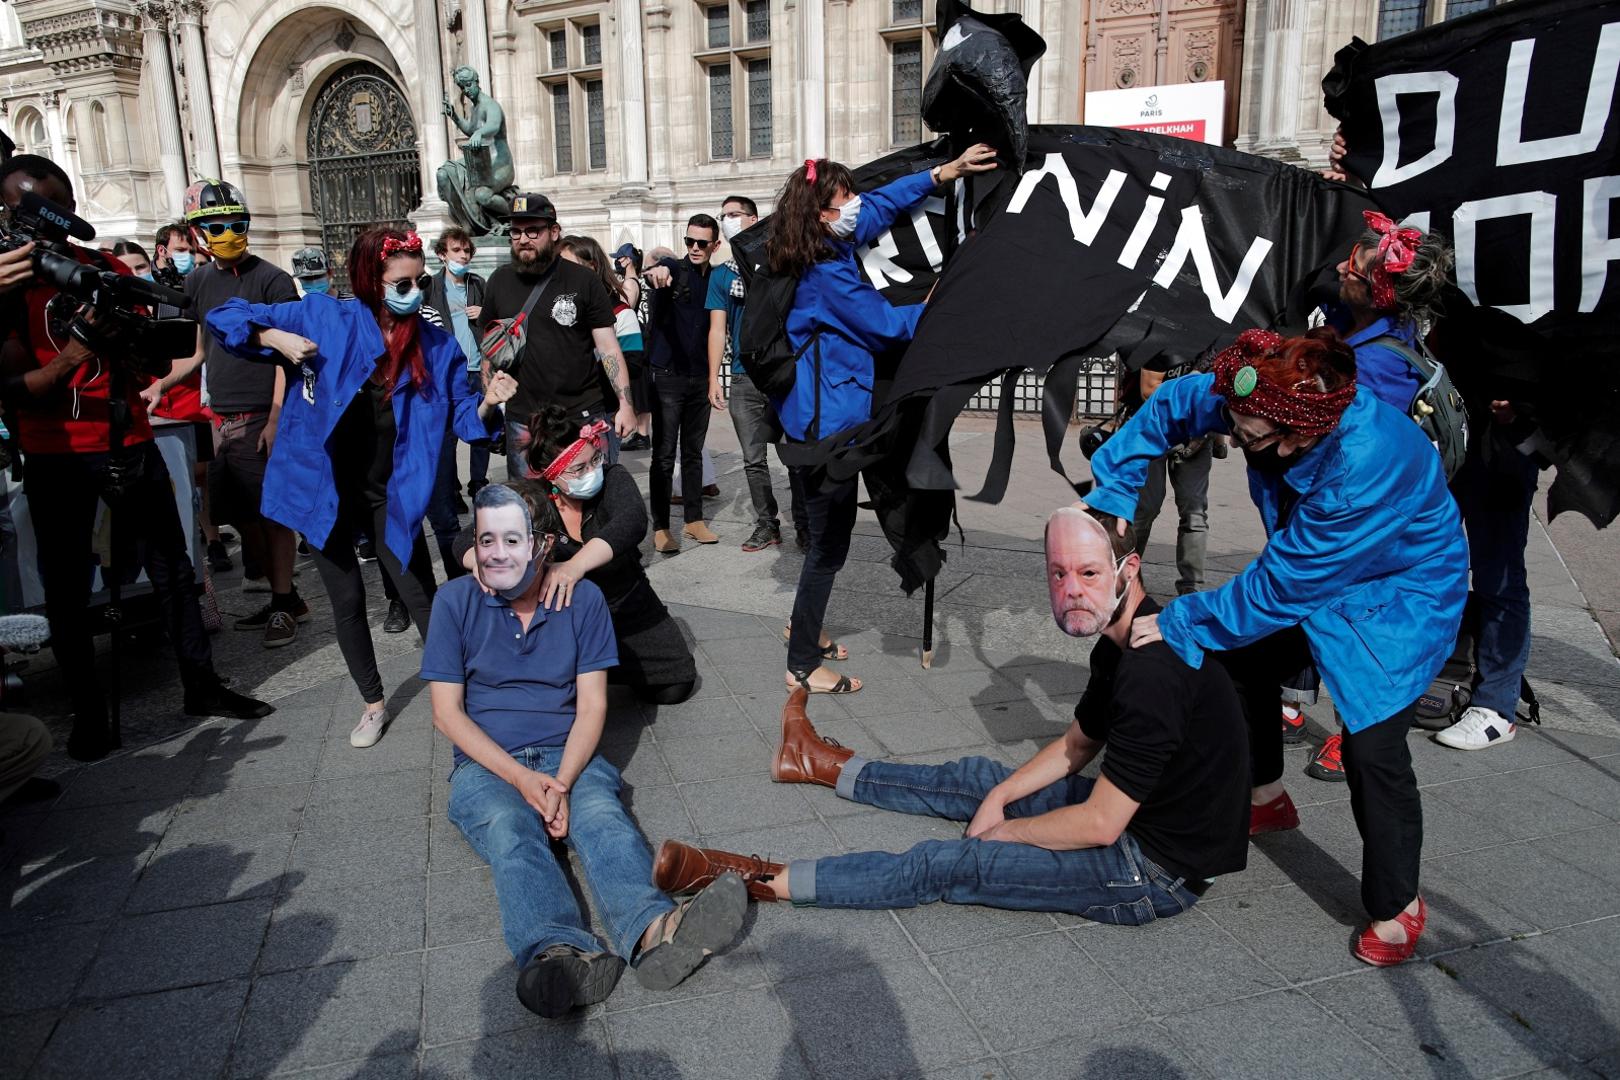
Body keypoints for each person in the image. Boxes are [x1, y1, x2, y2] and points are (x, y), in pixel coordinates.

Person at [655, 506, 1250, 924]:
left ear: (1130, 569)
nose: (1071, 590)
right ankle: (823, 764)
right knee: (975, 781)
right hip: (1138, 820)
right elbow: (1077, 744)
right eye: (1058, 573)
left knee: (947, 864)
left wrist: (1005, 831)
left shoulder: (1154, 671)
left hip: (1152, 871)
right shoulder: (1119, 642)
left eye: (1089, 574)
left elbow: (1099, 825)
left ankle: (760, 880)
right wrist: (1000, 799)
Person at [1084, 325, 1469, 966]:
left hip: (1399, 596)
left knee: (1374, 748)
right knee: (1237, 660)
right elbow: (1171, 408)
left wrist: (1181, 619)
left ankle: (1397, 900)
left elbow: (1280, 589)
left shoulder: (1371, 460)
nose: (1234, 437)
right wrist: (1115, 494)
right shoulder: (1260, 393)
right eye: (1234, 422)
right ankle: (1266, 795)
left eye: (1252, 436)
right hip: (1309, 569)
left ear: (1304, 431)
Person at [422, 484, 747, 1019]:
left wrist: (564, 781)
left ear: (545, 544)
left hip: (566, 751)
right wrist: (525, 782)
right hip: (486, 764)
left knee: (603, 818)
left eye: (512, 539)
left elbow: (593, 706)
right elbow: (446, 714)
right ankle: (557, 953)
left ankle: (654, 934)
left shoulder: (583, 599)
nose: (496, 553)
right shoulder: (455, 601)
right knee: (511, 834)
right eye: (486, 540)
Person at [0, 154, 271, 760]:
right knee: (68, 587)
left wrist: (132, 336)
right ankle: (89, 716)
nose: (47, 224)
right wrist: (77, 351)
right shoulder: (7, 284)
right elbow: (17, 390)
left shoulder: (100, 267)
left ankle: (201, 684)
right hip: (59, 453)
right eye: (28, 211)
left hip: (130, 438)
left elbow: (156, 361)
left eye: (56, 205)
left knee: (174, 570)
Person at [205, 227, 513, 749]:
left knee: (421, 594)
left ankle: (463, 695)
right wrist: (271, 337)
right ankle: (373, 703)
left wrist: (489, 401)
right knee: (346, 600)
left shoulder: (434, 344)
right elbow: (225, 317)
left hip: (389, 492)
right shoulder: (327, 316)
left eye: (419, 280)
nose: (413, 291)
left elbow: (464, 414)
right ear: (372, 279)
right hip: (323, 489)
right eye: (401, 281)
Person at [769, 145, 999, 695]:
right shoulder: (824, 271)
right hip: (829, 432)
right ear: (822, 213)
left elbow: (875, 208)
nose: (855, 205)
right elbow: (886, 328)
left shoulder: (819, 243)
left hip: (819, 421)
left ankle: (809, 632)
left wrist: (942, 174)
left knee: (825, 542)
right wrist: (946, 302)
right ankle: (802, 663)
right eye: (844, 197)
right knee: (828, 547)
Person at [1290, 214, 1461, 778]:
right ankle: (1292, 701)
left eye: (1357, 269)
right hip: (1342, 507)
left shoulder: (1381, 365)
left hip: (1366, 519)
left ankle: (1354, 728)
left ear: (1379, 293)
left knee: (1353, 614)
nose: (1343, 267)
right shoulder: (1352, 326)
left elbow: (1358, 455)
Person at [144, 179, 306, 647]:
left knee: (273, 513)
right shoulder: (197, 281)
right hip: (219, 417)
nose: (229, 232)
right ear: (198, 232)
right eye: (217, 226)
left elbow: (289, 355)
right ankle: (289, 595)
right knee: (238, 513)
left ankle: (281, 605)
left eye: (237, 224)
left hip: (260, 414)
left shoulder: (273, 279)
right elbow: (197, 353)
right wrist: (161, 384)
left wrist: (277, 418)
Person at [455, 406, 698, 704]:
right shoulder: (532, 498)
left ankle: (603, 673)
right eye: (578, 469)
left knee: (675, 687)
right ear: (553, 476)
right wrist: (484, 567)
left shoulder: (613, 478)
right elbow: (467, 539)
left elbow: (632, 521)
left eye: (594, 459)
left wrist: (574, 566)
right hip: (565, 620)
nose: (591, 471)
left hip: (628, 606)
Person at [475, 193, 635, 480]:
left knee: (587, 498)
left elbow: (609, 348)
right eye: (516, 231)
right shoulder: (499, 280)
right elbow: (490, 350)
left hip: (581, 414)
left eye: (533, 230)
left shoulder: (582, 280)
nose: (523, 239)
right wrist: (489, 397)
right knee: (532, 505)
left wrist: (625, 405)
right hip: (524, 420)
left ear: (554, 232)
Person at [706, 194, 810, 553]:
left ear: (753, 220)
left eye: (734, 214)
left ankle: (806, 523)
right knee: (753, 459)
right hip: (743, 376)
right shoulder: (722, 275)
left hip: (781, 373)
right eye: (724, 215)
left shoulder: (779, 264)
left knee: (793, 455)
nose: (728, 220)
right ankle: (767, 523)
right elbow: (717, 329)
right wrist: (712, 379)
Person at [643, 214, 722, 553]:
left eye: (701, 243)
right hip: (668, 377)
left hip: (699, 377)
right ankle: (660, 526)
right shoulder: (672, 268)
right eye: (689, 241)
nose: (694, 248)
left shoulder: (717, 279)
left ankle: (693, 520)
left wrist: (712, 379)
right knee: (663, 455)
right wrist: (656, 273)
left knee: (693, 453)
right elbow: (659, 273)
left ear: (714, 245)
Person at [1125, 355, 1214, 597]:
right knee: (1145, 510)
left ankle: (1191, 585)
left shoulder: (1214, 343)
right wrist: (1193, 386)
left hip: (1198, 435)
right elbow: (1148, 391)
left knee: (1194, 513)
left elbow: (1220, 392)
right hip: (1153, 430)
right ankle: (1127, 575)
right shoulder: (1163, 340)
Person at [425, 227, 493, 504]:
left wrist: (485, 313)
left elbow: (497, 320)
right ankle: (451, 488)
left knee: (481, 429)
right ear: (442, 254)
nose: (463, 256)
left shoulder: (477, 284)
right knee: (448, 434)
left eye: (466, 251)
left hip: (478, 368)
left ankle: (478, 482)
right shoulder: (430, 286)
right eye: (456, 250)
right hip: (447, 372)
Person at [610, 242, 651, 450]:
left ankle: (642, 434)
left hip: (634, 340)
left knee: (639, 386)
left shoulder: (630, 283)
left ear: (628, 260)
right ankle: (641, 433)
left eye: (619, 258)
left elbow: (626, 310)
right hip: (638, 338)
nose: (616, 261)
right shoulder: (631, 281)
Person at [151, 222, 196, 291]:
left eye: (192, 252)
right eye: (180, 250)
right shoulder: (147, 277)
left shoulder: (197, 278)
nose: (188, 256)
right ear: (161, 250)